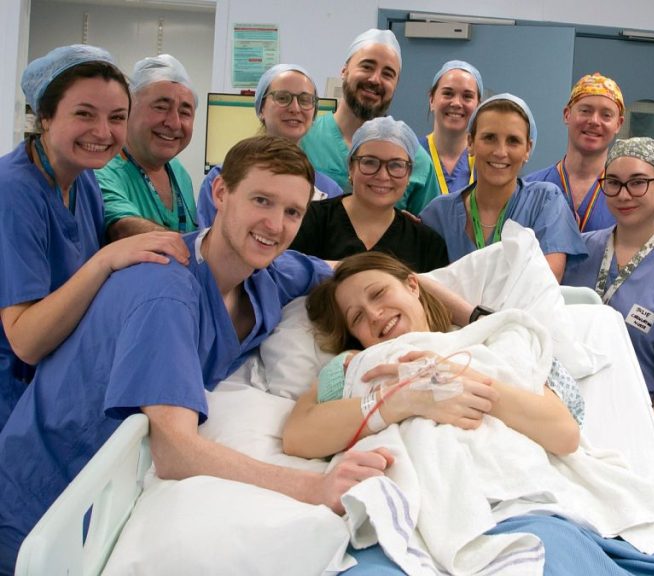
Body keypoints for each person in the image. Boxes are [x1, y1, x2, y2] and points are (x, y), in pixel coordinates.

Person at [0, 136, 391, 575]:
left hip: (117, 495)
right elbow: (176, 451)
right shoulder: (166, 290)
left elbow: (349, 271)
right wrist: (316, 488)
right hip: (45, 498)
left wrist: (456, 311)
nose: (275, 225)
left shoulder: (266, 275)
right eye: (261, 200)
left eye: (292, 212)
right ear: (221, 193)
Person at [283, 251, 654, 576]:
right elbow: (300, 436)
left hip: (514, 506)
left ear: (413, 286)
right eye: (357, 316)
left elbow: (563, 434)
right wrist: (401, 399)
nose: (375, 314)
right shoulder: (350, 367)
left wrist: (455, 379)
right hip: (406, 517)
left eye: (379, 294)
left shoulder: (492, 340)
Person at [0, 45, 188, 432]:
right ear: (45, 117)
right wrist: (106, 260)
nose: (103, 133)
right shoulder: (14, 192)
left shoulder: (84, 181)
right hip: (12, 391)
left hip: (49, 383)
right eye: (84, 114)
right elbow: (26, 341)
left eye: (117, 117)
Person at [561, 137, 654, 477]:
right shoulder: (579, 252)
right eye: (613, 183)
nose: (624, 195)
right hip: (570, 427)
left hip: (639, 436)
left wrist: (642, 440)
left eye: (638, 183)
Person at [420, 93, 586, 281]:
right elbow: (424, 288)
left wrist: (458, 277)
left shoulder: (544, 202)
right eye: (489, 138)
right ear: (470, 143)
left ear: (527, 149)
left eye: (513, 141)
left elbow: (545, 281)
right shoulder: (439, 213)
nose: (500, 152)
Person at [300, 28, 440, 214]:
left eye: (388, 74)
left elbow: (426, 233)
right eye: (367, 66)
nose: (375, 79)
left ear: (396, 85)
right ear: (344, 70)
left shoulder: (416, 158)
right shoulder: (304, 140)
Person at [526, 72, 654, 237]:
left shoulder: (635, 194)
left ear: (618, 124)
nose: (594, 121)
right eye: (585, 111)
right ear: (567, 115)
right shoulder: (530, 188)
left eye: (606, 115)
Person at [290, 116, 448, 272]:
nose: (383, 176)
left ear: (409, 174)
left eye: (396, 165)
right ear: (351, 167)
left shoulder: (427, 245)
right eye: (370, 162)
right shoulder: (308, 221)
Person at [195, 63, 343, 227]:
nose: (295, 108)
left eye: (305, 100)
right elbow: (208, 245)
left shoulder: (330, 191)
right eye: (282, 98)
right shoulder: (224, 177)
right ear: (261, 109)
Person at [95, 54, 198, 239]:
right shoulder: (102, 169)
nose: (174, 123)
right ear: (128, 109)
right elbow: (123, 229)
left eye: (185, 112)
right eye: (160, 107)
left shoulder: (178, 172)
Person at [419, 60, 482, 195]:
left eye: (467, 96)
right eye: (448, 93)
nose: (456, 103)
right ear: (431, 100)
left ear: (478, 106)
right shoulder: (411, 155)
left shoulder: (486, 160)